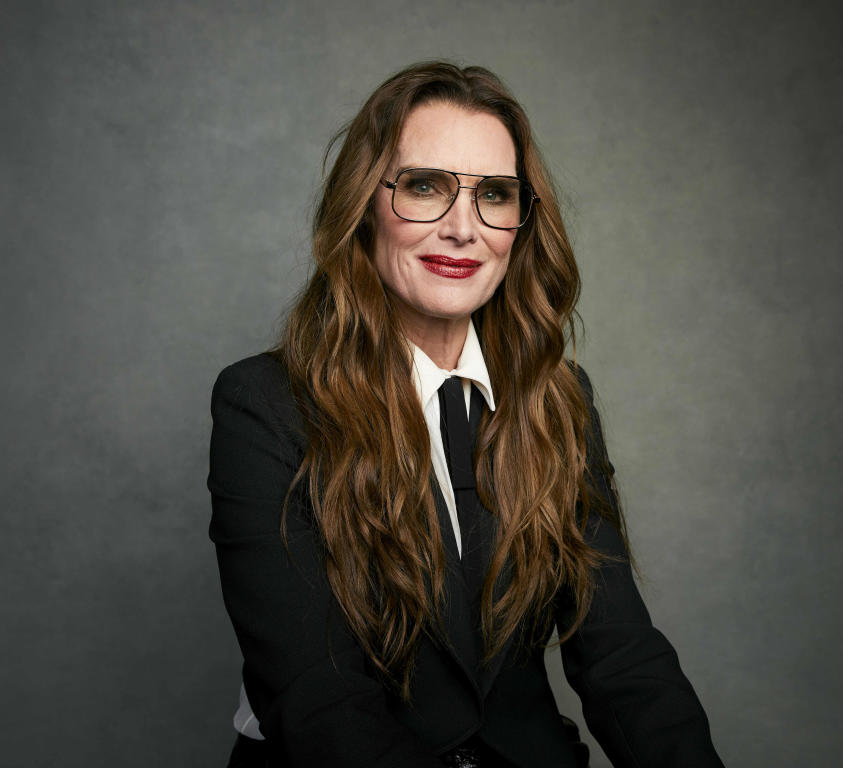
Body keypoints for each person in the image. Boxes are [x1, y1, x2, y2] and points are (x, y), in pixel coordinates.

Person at [208, 61, 724, 768]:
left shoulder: (559, 400)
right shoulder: (264, 405)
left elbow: (624, 664)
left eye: (495, 195)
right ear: (363, 205)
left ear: (521, 220)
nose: (463, 228)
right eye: (424, 187)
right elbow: (318, 704)